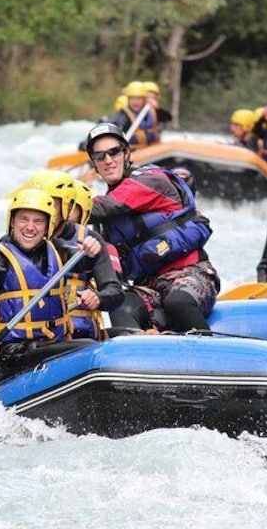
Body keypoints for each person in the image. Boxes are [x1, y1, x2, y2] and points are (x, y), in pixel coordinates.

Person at [0, 188, 102, 383]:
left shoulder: (57, 250)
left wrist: (91, 247)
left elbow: (84, 260)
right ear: (12, 221)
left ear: (47, 226)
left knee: (93, 344)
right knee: (89, 347)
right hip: (11, 355)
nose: (30, 227)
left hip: (52, 345)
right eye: (24, 219)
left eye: (38, 221)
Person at [84, 122, 220, 333]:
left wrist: (63, 204)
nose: (108, 161)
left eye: (114, 152)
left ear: (126, 153)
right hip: (149, 287)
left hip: (191, 274)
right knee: (122, 304)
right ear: (94, 162)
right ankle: (134, 358)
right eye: (100, 156)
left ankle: (213, 355)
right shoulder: (104, 225)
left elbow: (107, 205)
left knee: (178, 303)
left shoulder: (149, 180)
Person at [26, 170, 125, 339]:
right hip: (31, 338)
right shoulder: (17, 241)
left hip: (78, 335)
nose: (44, 210)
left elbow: (115, 292)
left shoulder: (91, 242)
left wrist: (97, 298)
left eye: (50, 204)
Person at [105, 81, 160, 150]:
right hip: (133, 151)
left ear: (144, 99)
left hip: (151, 149)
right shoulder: (123, 114)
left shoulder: (150, 111)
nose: (135, 102)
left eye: (139, 98)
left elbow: (167, 118)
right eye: (132, 98)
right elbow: (111, 123)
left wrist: (158, 109)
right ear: (128, 99)